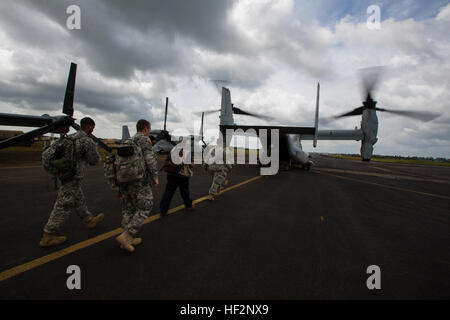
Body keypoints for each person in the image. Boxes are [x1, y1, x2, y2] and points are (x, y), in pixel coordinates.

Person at [40, 117, 104, 247]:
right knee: (63, 204)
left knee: (79, 199)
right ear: (90, 126)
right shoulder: (86, 141)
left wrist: (57, 169)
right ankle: (48, 235)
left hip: (65, 174)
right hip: (73, 177)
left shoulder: (67, 138)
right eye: (93, 127)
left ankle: (89, 220)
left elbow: (47, 155)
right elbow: (94, 161)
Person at [115, 119, 159, 252]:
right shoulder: (144, 140)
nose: (149, 132)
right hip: (139, 181)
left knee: (129, 208)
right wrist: (155, 177)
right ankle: (127, 235)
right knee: (146, 205)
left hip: (124, 180)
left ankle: (127, 238)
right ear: (146, 129)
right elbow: (150, 160)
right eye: (149, 129)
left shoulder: (127, 141)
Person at [159, 137, 194, 216]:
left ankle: (163, 210)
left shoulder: (173, 150)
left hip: (171, 174)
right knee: (184, 192)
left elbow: (167, 160)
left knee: (168, 192)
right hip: (182, 176)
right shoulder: (186, 151)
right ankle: (188, 206)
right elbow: (191, 164)